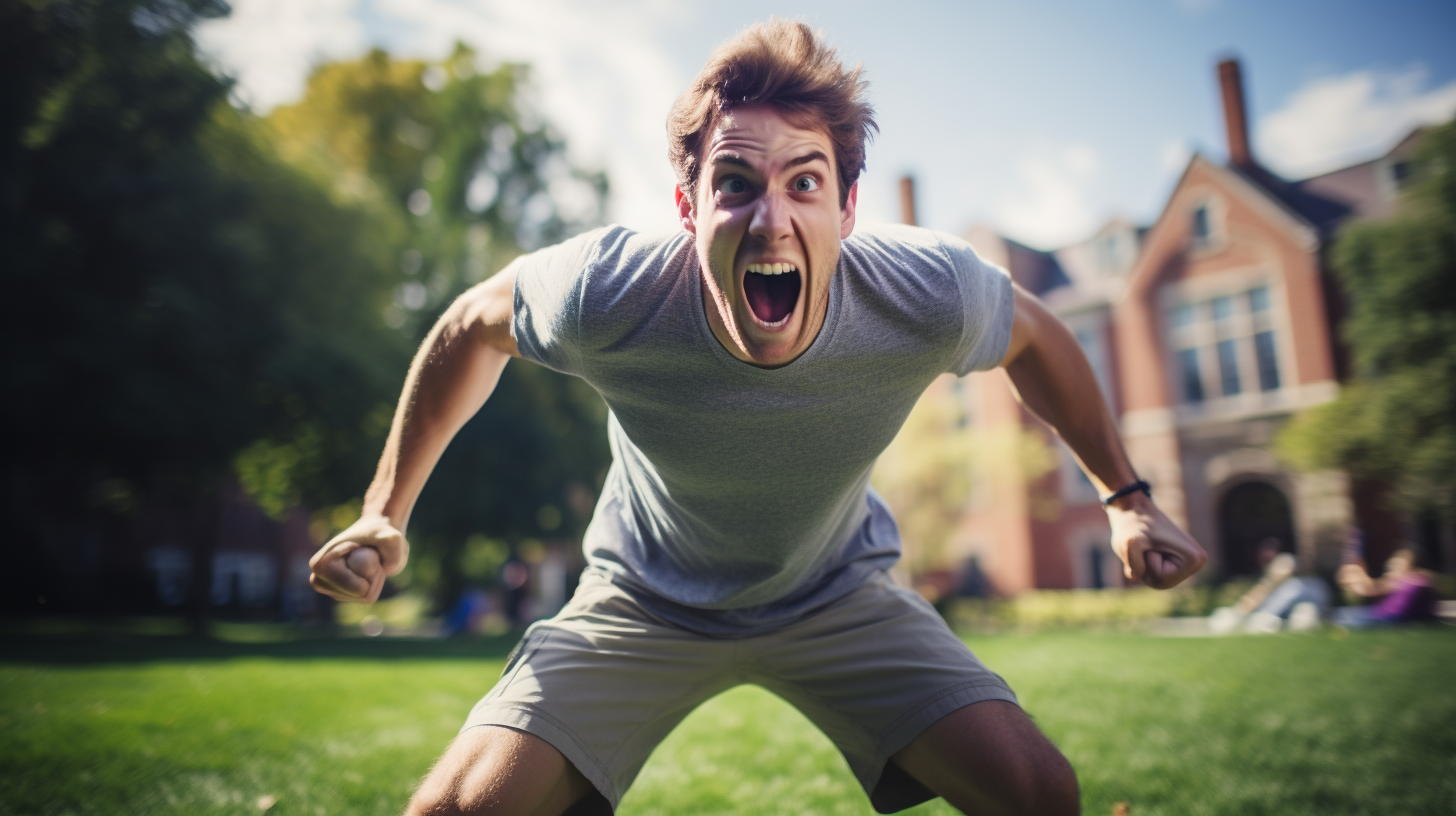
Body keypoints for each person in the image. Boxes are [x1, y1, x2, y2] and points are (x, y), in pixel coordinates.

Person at [309, 20, 1207, 816]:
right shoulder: (609, 293)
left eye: (805, 183)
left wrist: (1124, 495)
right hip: (641, 597)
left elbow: (1039, 339)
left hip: (837, 592)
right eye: (734, 183)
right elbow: (470, 325)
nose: (771, 219)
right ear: (688, 207)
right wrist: (385, 510)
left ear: (849, 208)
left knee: (1040, 794)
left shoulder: (926, 292)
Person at [1333, 548, 1438, 627]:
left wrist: (1358, 574)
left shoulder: (1405, 582)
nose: (1391, 571)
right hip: (1387, 615)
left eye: (1396, 566)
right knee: (1343, 613)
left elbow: (1370, 589)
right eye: (1391, 568)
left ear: (1410, 566)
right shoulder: (1419, 581)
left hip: (1387, 617)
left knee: (1341, 615)